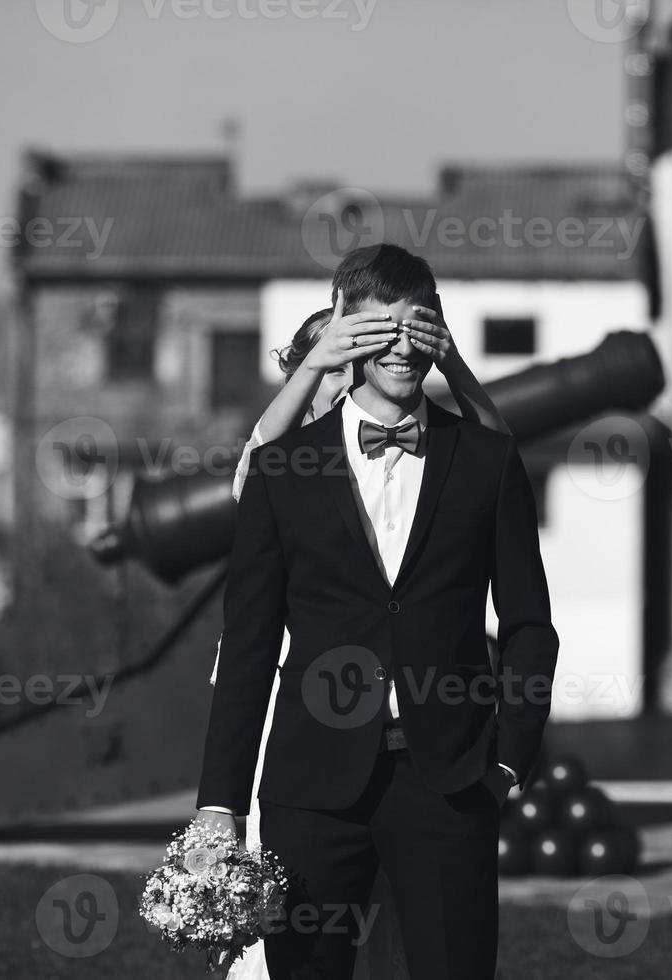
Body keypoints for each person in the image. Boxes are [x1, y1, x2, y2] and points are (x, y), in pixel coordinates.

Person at [197, 244, 557, 980]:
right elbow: (248, 648)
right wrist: (218, 807)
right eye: (377, 329)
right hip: (310, 791)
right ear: (341, 332)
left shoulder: (487, 463)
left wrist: (511, 763)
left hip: (451, 786)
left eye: (415, 328)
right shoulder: (279, 471)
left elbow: (528, 625)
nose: (399, 346)